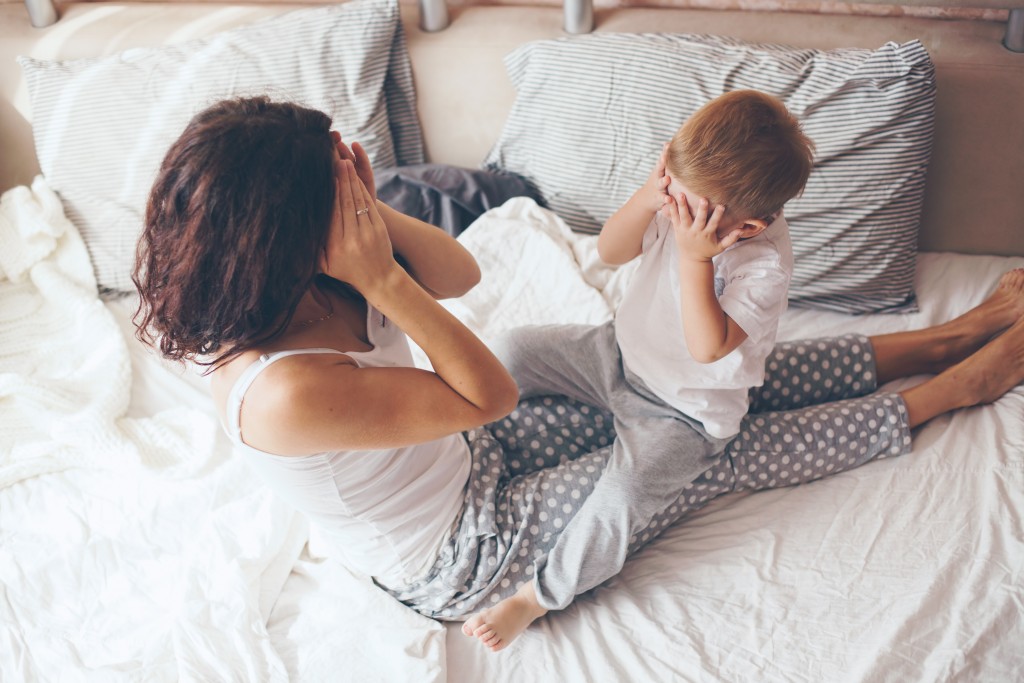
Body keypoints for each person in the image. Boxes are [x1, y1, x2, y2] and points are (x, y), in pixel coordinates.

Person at [132, 96, 1024, 656]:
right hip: (465, 549)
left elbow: (461, 277)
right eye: (335, 186)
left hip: (474, 454)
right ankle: (954, 386)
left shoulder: (309, 270)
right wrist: (374, 277)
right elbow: (491, 392)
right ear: (284, 232)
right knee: (699, 455)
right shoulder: (279, 389)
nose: (353, 195)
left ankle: (950, 334)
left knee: (703, 402)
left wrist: (379, 225)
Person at [463, 90, 814, 644]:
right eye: (672, 183)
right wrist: (649, 198)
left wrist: (696, 256)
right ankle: (450, 409)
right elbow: (609, 250)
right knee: (511, 348)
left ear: (747, 227)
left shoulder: (762, 263)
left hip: (684, 412)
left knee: (620, 498)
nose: (674, 207)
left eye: (685, 205)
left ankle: (536, 598)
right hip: (616, 354)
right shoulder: (676, 200)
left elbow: (708, 346)